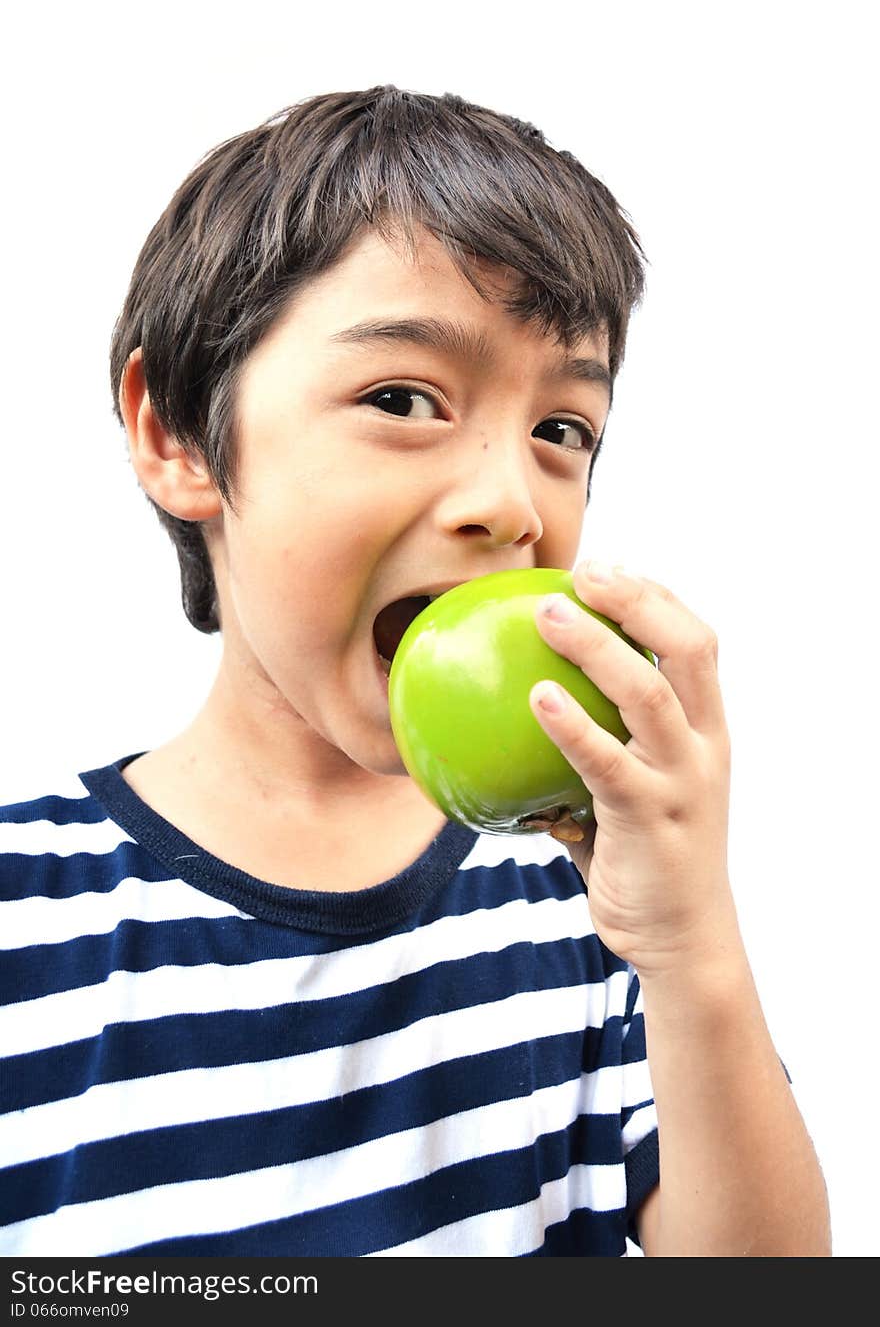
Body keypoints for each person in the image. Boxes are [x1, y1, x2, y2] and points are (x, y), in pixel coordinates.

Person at [0, 86, 830, 1257]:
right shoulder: (23, 912)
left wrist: (693, 941)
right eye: (402, 399)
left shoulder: (595, 910)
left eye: (563, 430)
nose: (509, 502)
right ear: (177, 435)